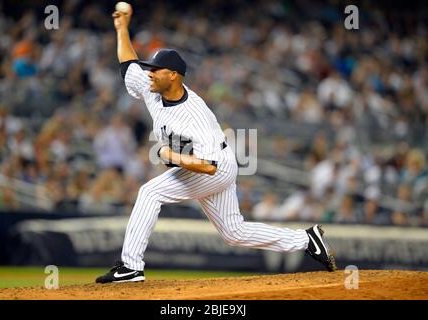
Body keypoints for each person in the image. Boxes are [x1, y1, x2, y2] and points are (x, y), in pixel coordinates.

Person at [96, 6, 337, 283]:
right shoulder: (154, 88)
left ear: (173, 75)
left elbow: (208, 167)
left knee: (151, 192)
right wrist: (122, 29)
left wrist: (171, 156)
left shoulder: (194, 116)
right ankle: (307, 240)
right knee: (234, 232)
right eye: (149, 69)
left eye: (155, 70)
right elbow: (128, 64)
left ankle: (130, 266)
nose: (149, 73)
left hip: (215, 167)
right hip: (203, 164)